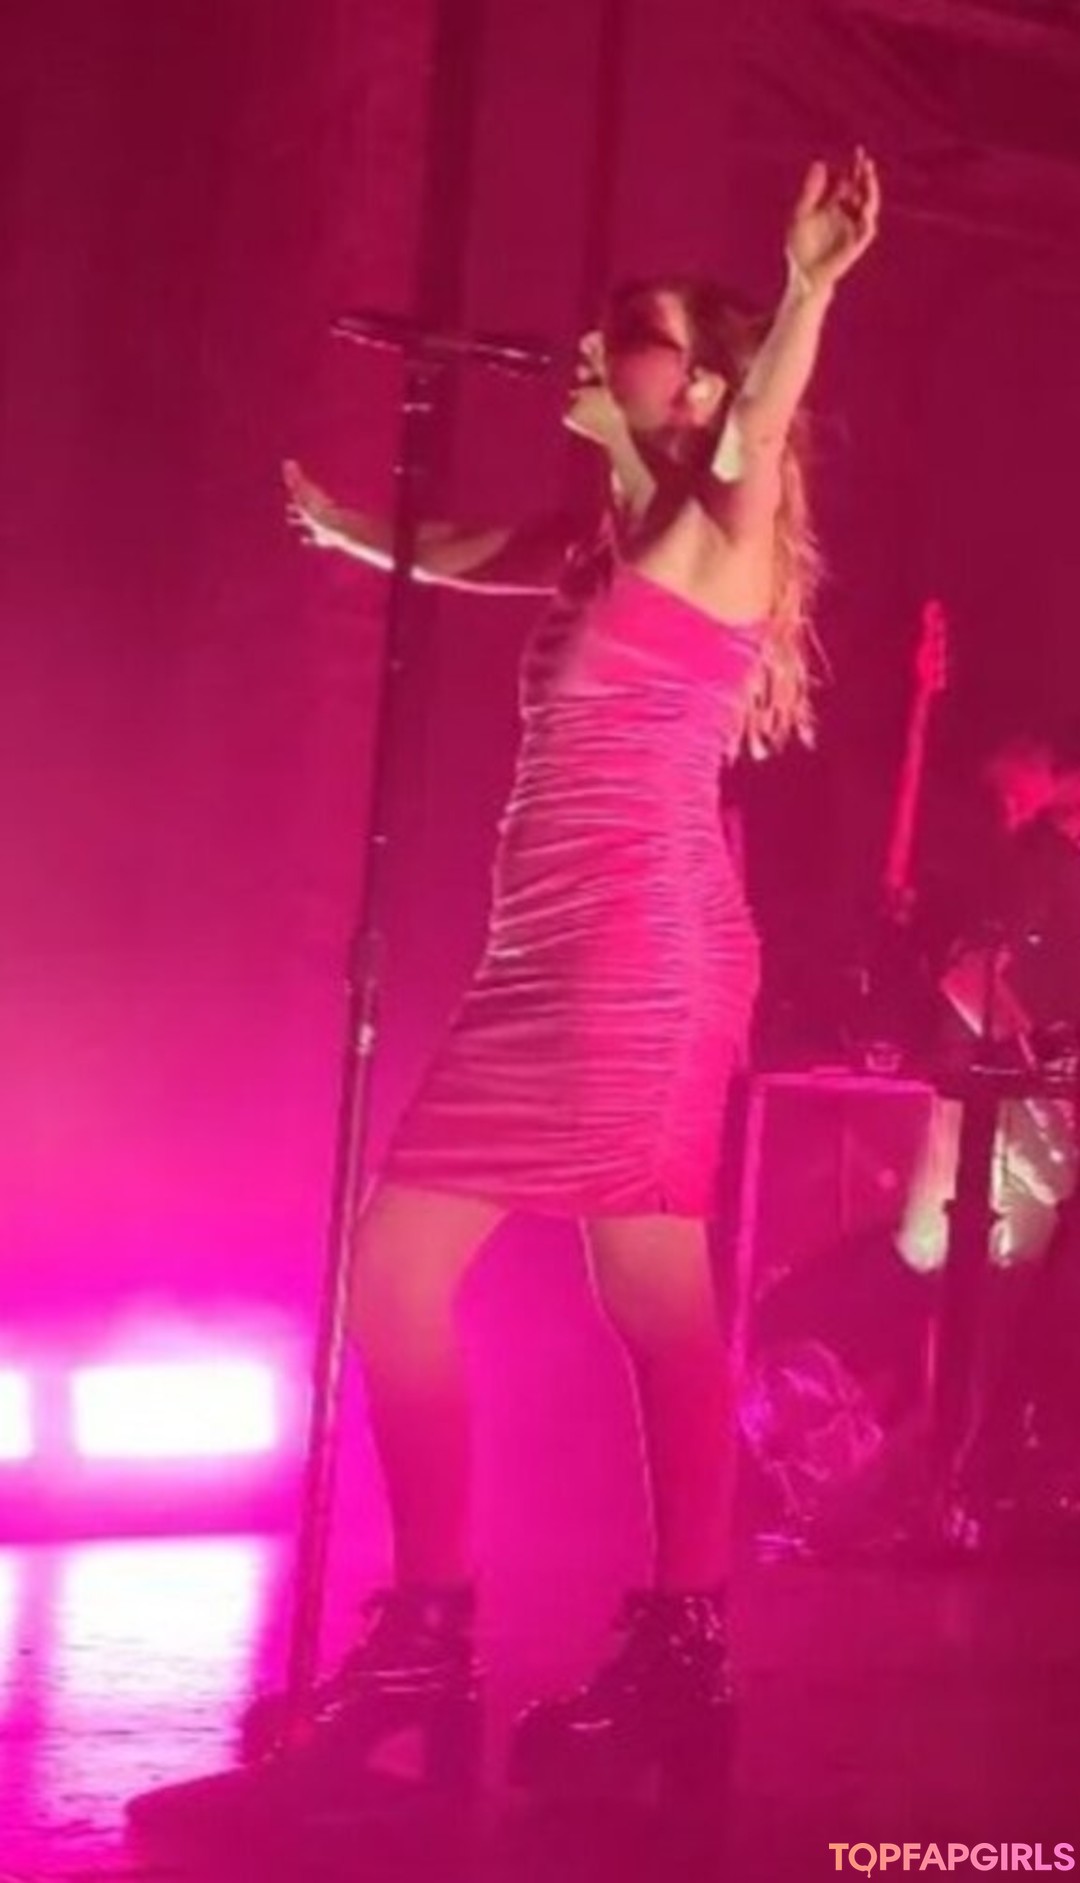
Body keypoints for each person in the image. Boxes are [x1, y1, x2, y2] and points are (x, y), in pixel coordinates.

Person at [137, 149, 880, 1830]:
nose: (589, 345)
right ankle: (627, 1663)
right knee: (623, 1297)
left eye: (634, 334)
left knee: (455, 1275)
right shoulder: (600, 543)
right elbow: (476, 547)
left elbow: (765, 429)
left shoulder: (714, 525)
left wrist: (808, 286)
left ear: (700, 388)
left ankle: (480, 1653)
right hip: (559, 947)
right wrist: (353, 528)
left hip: (637, 948)